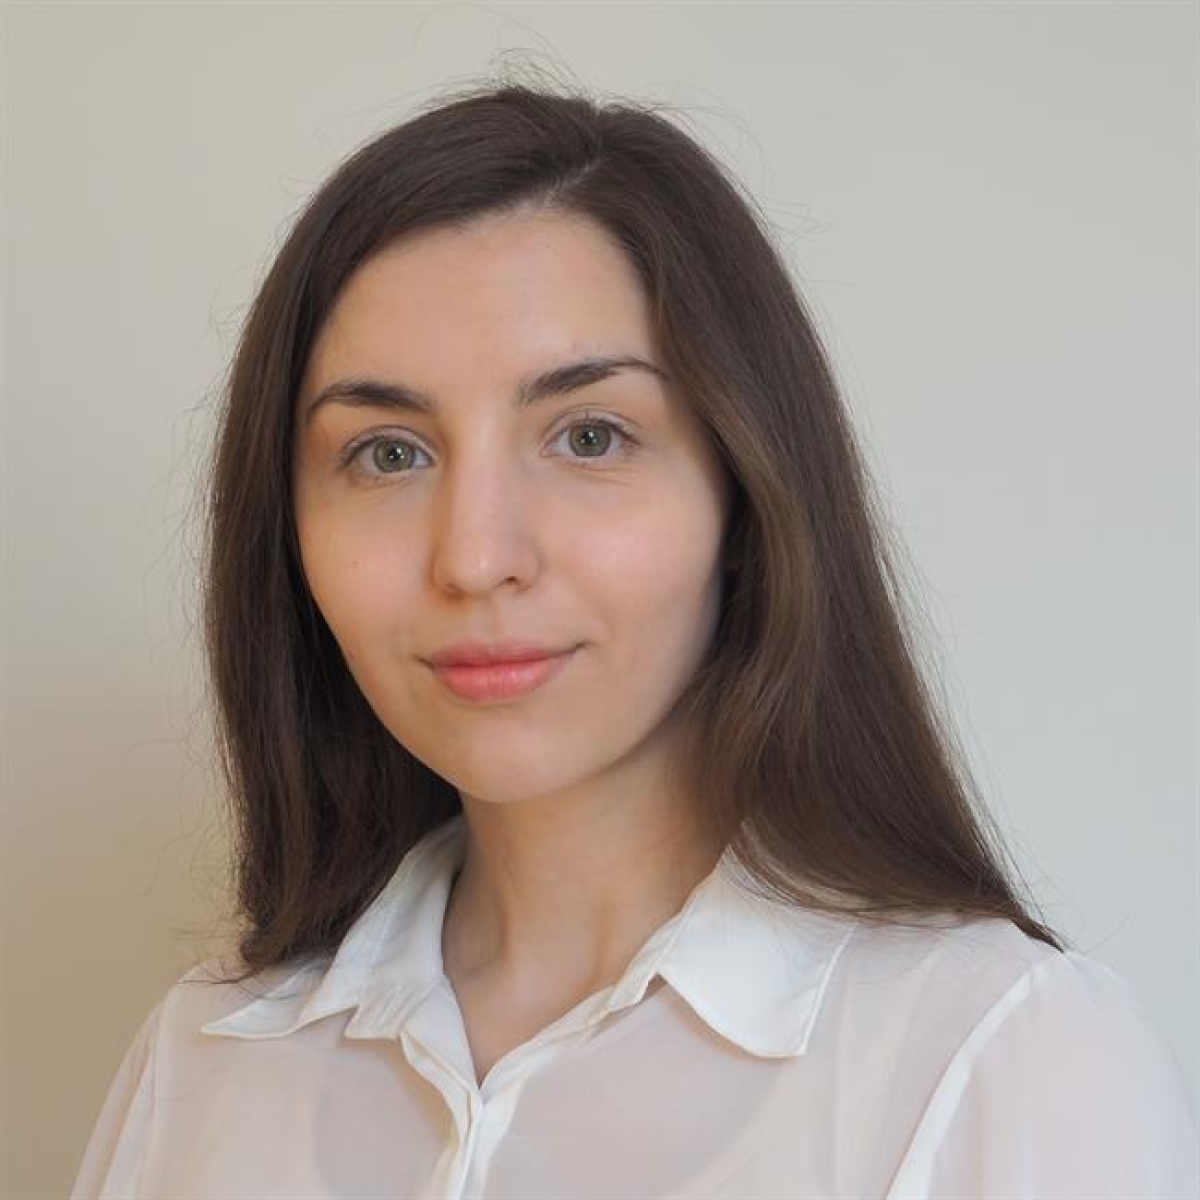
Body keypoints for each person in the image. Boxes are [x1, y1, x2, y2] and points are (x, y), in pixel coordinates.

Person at [71, 75, 1198, 1199]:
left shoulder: (996, 1058)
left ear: (746, 496)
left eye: (590, 436)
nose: (475, 557)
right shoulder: (204, 1062)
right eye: (389, 453)